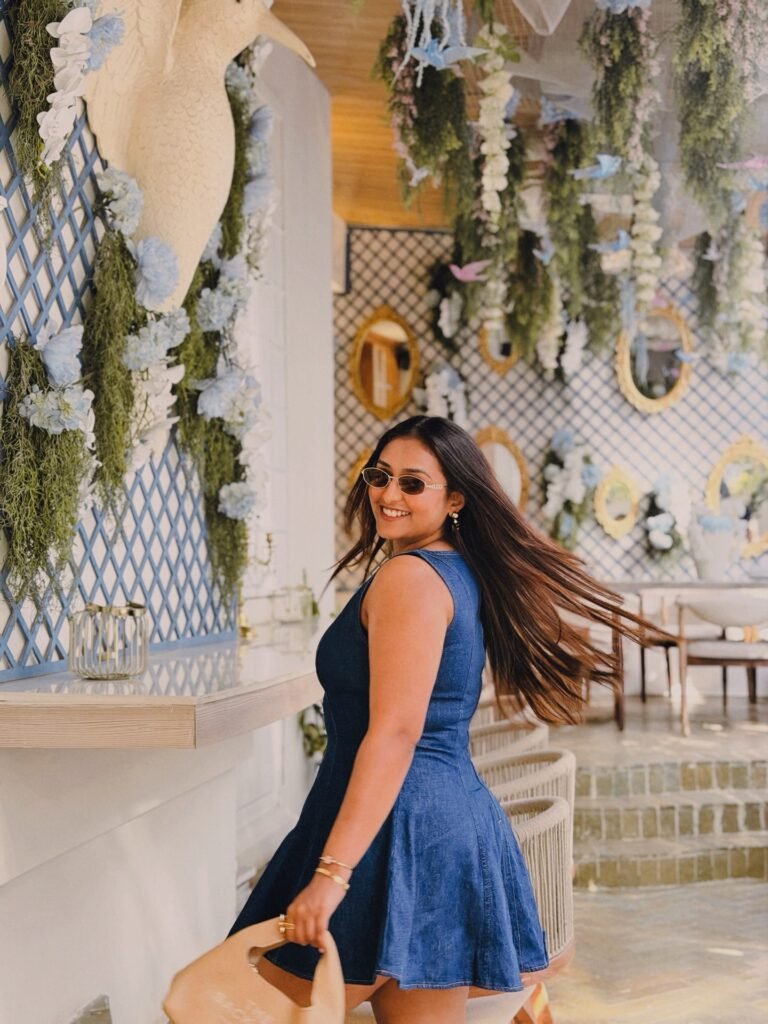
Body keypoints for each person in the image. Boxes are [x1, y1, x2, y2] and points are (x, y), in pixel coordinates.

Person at [229, 415, 646, 1023]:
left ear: (454, 499)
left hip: (394, 829)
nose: (389, 495)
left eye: (412, 483)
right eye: (381, 476)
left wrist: (331, 875)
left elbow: (397, 733)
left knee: (240, 1010)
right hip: (438, 829)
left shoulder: (410, 578)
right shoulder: (446, 569)